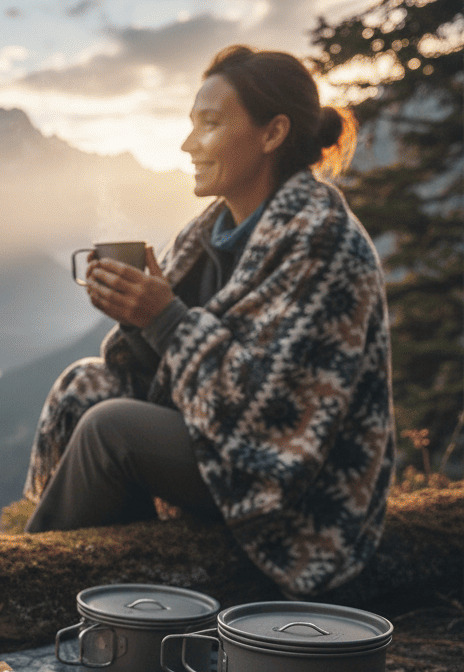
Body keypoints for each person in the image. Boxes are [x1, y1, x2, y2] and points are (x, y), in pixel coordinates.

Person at [24, 44, 395, 597]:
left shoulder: (322, 240)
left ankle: (30, 592)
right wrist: (137, 315)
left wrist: (164, 315)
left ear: (272, 135)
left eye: (210, 124)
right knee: (85, 386)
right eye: (191, 123)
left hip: (302, 495)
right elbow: (170, 373)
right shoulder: (209, 233)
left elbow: (277, 418)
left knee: (112, 429)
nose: (188, 144)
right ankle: (118, 586)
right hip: (221, 447)